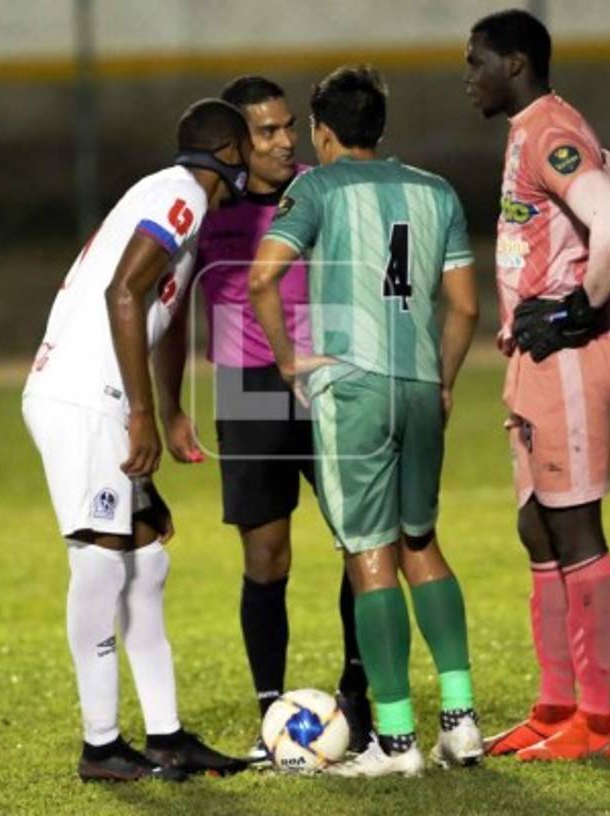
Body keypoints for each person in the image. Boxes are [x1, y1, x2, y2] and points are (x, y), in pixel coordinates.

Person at [249, 65, 483, 777]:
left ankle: (395, 740)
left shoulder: (315, 187)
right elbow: (466, 306)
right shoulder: (434, 189)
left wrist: (290, 361)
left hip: (353, 390)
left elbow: (262, 276)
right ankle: (462, 722)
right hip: (419, 384)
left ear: (322, 131)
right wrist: (440, 382)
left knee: (370, 556)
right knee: (423, 544)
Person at [21, 98, 253, 782]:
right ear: (231, 154)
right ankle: (100, 746)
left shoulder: (181, 204)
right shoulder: (180, 192)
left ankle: (168, 737)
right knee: (100, 563)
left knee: (146, 563)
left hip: (102, 397)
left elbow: (164, 310)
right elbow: (125, 293)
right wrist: (142, 415)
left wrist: (172, 406)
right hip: (85, 398)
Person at [464, 9, 610, 761]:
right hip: (532, 357)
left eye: (476, 61)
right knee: (537, 526)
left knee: (573, 527)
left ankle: (596, 726)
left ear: (514, 62)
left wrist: (577, 306)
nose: (467, 75)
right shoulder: (539, 127)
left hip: (569, 353)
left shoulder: (549, 132)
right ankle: (555, 705)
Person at [193, 75, 371, 764]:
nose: (285, 140)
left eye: (288, 126)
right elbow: (173, 299)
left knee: (361, 541)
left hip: (326, 374)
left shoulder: (319, 191)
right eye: (266, 132)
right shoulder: (212, 206)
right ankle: (272, 710)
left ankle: (357, 695)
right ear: (237, 143)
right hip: (249, 384)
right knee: (267, 554)